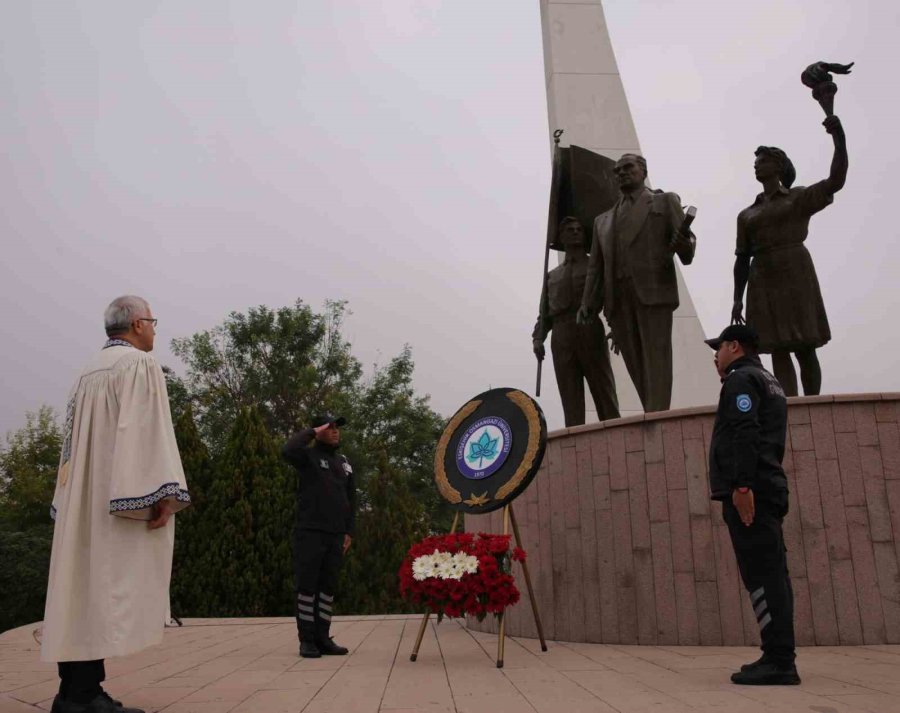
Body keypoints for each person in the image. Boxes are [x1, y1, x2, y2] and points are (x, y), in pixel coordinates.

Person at [42, 296, 191, 713]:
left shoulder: (87, 371)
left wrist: (67, 499)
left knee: (79, 592)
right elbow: (144, 432)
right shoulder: (139, 366)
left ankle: (72, 693)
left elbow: (69, 446)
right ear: (138, 324)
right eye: (153, 322)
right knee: (105, 592)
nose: (156, 330)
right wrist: (162, 494)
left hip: (81, 500)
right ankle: (85, 695)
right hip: (113, 496)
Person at [704, 324, 799, 686]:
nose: (716, 355)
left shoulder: (741, 381)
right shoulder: (769, 380)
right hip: (769, 485)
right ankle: (778, 654)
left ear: (735, 346)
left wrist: (742, 485)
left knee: (762, 574)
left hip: (752, 490)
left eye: (719, 348)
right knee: (774, 574)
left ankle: (779, 661)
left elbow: (745, 432)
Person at [731, 115, 848, 396]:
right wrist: (737, 298)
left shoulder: (797, 198)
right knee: (778, 347)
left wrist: (839, 139)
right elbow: (741, 258)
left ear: (778, 166)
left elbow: (835, 181)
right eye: (756, 162)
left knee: (804, 343)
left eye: (763, 160)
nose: (757, 165)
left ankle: (813, 402)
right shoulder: (747, 214)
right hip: (762, 276)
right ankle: (789, 403)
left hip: (795, 269)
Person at [577, 153, 695, 412]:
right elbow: (596, 267)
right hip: (618, 299)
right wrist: (588, 303)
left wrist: (684, 244)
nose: (621, 173)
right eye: (617, 170)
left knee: (656, 358)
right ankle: (651, 411)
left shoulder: (664, 202)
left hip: (652, 292)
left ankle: (658, 414)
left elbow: (687, 253)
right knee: (635, 363)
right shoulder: (602, 221)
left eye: (627, 168)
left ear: (643, 171)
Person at [533, 216, 619, 426]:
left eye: (579, 229)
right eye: (569, 229)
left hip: (589, 328)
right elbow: (544, 312)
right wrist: (538, 337)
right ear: (560, 237)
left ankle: (616, 432)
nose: (575, 232)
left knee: (602, 388)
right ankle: (575, 439)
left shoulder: (596, 266)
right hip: (561, 335)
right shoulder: (552, 275)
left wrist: (617, 327)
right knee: (569, 394)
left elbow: (612, 298)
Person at [282, 414, 356, 658]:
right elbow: (288, 449)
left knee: (327, 589)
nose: (335, 431)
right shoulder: (307, 456)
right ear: (320, 430)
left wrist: (349, 531)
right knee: (307, 588)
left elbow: (351, 499)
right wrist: (312, 431)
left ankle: (323, 638)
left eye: (337, 428)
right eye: (330, 427)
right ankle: (307, 640)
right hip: (310, 532)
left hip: (336, 534)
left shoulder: (344, 462)